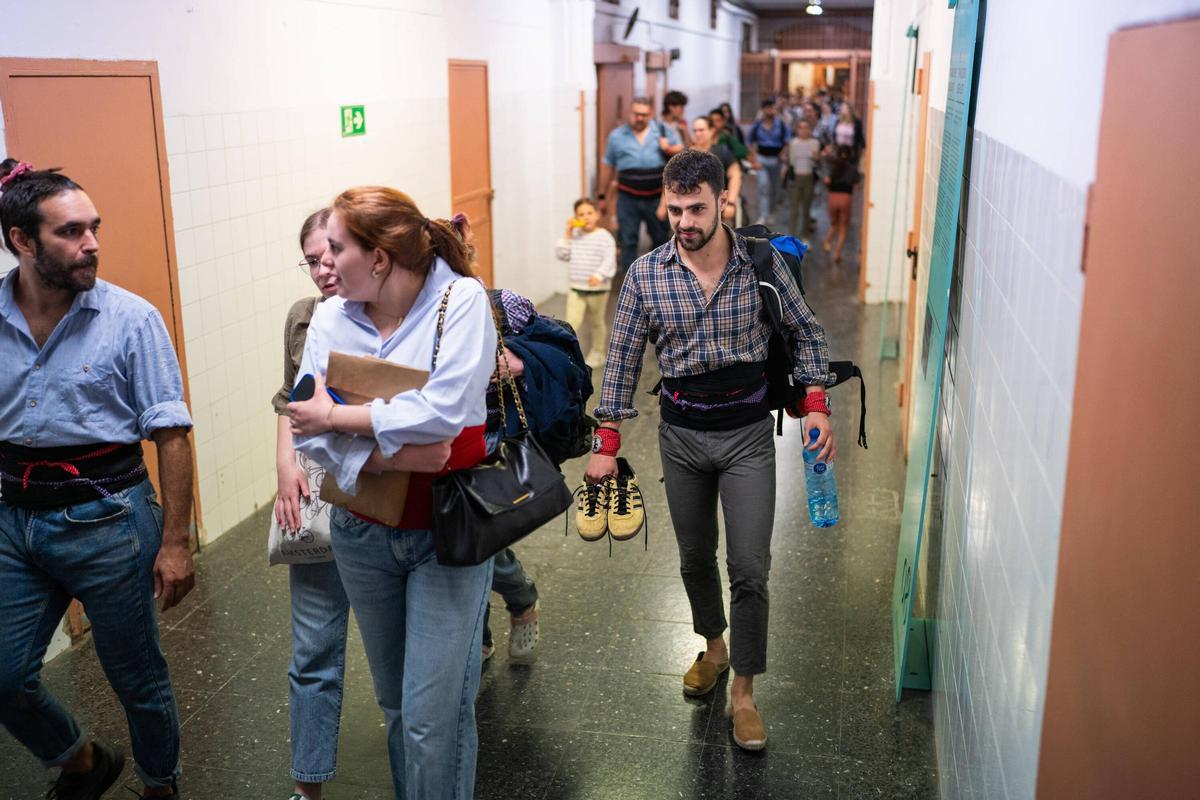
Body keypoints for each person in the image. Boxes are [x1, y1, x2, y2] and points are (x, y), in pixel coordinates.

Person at [586, 149, 837, 753]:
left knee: (749, 568)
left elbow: (806, 331)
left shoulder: (761, 264)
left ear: (724, 201)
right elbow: (620, 359)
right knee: (695, 559)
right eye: (674, 209)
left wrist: (817, 404)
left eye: (696, 208)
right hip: (681, 436)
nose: (683, 221)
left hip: (749, 434)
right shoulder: (647, 274)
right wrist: (606, 442)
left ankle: (744, 693)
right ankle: (715, 648)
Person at [287, 186, 496, 799]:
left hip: (446, 532)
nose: (324, 263)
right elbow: (307, 429)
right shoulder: (329, 316)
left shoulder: (459, 300)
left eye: (336, 249)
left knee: (433, 720)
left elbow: (447, 411)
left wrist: (340, 418)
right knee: (398, 709)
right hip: (362, 534)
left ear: (378, 258)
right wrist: (397, 450)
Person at [0, 158, 194, 799]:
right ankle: (82, 760)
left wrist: (174, 541)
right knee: (5, 675)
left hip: (109, 520)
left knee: (136, 677)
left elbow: (170, 431)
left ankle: (160, 785)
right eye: (70, 232)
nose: (91, 244)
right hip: (13, 519)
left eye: (94, 227)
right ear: (21, 241)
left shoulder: (130, 319)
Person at [271, 208, 352, 800]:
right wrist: (285, 467)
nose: (323, 270)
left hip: (390, 487)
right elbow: (290, 400)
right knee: (314, 648)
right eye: (312, 261)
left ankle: (518, 600)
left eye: (330, 255)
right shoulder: (303, 318)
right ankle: (307, 787)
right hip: (319, 486)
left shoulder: (393, 310)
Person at [597, 97, 681, 272]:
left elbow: (682, 152)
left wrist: (668, 148)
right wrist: (602, 195)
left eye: (644, 114)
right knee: (628, 240)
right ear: (630, 113)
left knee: (661, 240)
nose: (640, 118)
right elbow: (607, 166)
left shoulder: (662, 131)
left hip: (656, 198)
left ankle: (661, 278)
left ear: (650, 114)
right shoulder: (617, 136)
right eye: (636, 114)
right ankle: (631, 283)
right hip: (628, 198)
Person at [557, 197, 617, 368]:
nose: (586, 217)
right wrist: (567, 235)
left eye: (589, 213)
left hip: (598, 288)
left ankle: (598, 352)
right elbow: (562, 254)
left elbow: (609, 260)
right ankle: (567, 352)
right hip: (577, 287)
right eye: (581, 214)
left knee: (597, 322)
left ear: (597, 214)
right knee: (571, 322)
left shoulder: (605, 237)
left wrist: (599, 275)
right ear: (575, 218)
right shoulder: (575, 236)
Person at [690, 115, 741, 225]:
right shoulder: (685, 154)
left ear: (711, 131)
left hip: (718, 209)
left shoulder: (722, 151)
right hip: (692, 210)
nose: (697, 134)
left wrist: (731, 202)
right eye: (695, 131)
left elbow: (735, 175)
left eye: (701, 130)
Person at [747, 99, 791, 225]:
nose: (769, 110)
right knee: (763, 186)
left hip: (776, 159)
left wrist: (783, 153)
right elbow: (749, 141)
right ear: (762, 110)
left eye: (771, 107)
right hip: (762, 158)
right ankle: (763, 214)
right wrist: (754, 157)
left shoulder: (781, 124)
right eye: (767, 108)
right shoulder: (757, 125)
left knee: (774, 188)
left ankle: (771, 212)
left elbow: (787, 140)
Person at [822, 145, 861, 262]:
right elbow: (857, 185)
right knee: (843, 227)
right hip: (846, 199)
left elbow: (826, 181)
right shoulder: (853, 170)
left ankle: (827, 242)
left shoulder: (833, 168)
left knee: (834, 224)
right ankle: (837, 253)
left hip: (832, 198)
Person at [783, 119, 821, 237]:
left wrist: (816, 158)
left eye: (806, 128)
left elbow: (818, 164)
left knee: (806, 209)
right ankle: (792, 236)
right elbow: (790, 162)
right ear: (797, 130)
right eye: (801, 128)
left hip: (809, 177)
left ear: (810, 130)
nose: (803, 131)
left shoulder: (815, 143)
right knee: (794, 210)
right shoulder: (793, 143)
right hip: (796, 177)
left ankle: (805, 236)